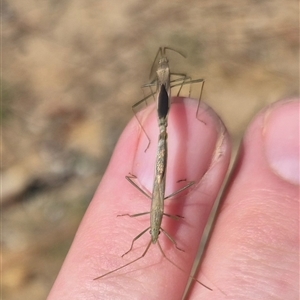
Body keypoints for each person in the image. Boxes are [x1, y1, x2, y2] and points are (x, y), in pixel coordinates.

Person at [48, 98, 299, 300]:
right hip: (160, 194)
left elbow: (163, 222)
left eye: (155, 235)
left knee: (160, 173)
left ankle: (168, 125)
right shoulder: (157, 229)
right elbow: (162, 226)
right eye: (156, 234)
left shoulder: (156, 226)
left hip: (160, 190)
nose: (155, 237)